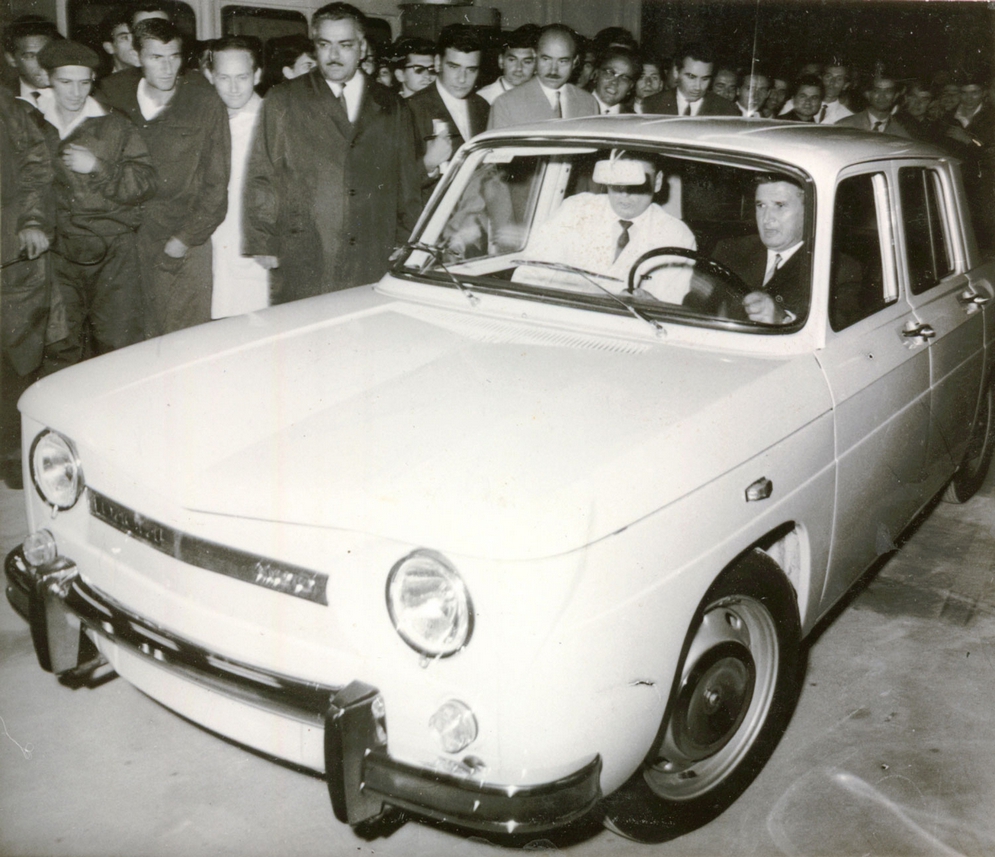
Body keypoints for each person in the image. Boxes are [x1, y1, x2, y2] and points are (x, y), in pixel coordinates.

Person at [244, 2, 421, 303]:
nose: (334, 55)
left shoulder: (392, 104)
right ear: (315, 46)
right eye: (325, 45)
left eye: (345, 45)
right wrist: (262, 240)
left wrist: (408, 240)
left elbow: (407, 181)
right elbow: (264, 172)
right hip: (306, 250)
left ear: (363, 48)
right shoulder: (284, 99)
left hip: (372, 252)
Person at [99, 17, 230, 336]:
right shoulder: (114, 95)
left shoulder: (204, 102)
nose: (167, 68)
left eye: (174, 57)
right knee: (133, 339)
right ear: (137, 55)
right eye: (156, 57)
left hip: (184, 241)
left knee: (185, 341)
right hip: (128, 242)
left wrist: (185, 238)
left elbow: (216, 184)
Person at [35, 40, 155, 374]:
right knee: (60, 344)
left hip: (112, 252)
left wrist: (100, 167)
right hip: (57, 253)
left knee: (118, 345)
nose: (76, 92)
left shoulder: (114, 124)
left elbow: (145, 182)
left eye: (84, 82)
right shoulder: (33, 123)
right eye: (65, 82)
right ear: (47, 78)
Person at [518, 151, 697, 303]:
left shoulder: (678, 236)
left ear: (657, 182)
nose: (625, 193)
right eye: (618, 180)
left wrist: (654, 305)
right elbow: (528, 275)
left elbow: (670, 309)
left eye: (638, 181)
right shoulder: (575, 210)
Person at [0, 87, 54, 487]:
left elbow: (36, 167)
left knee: (17, 353)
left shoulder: (9, 109)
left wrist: (32, 220)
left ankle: (15, 455)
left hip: (8, 252)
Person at [203, 36, 269, 318]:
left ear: (257, 75)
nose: (233, 88)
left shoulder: (273, 121)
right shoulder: (204, 119)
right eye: (223, 78)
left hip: (255, 249)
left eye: (242, 77)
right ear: (209, 76)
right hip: (213, 244)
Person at [713, 175, 813, 324]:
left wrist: (784, 319)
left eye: (780, 205)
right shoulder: (729, 250)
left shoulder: (835, 270)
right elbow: (695, 307)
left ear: (809, 211)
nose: (766, 218)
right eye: (761, 205)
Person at [408, 25, 489, 200]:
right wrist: (428, 164)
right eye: (454, 67)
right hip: (430, 220)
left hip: (473, 218)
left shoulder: (482, 106)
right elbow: (393, 183)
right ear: (438, 63)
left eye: (471, 69)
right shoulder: (410, 109)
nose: (462, 78)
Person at [488, 24, 597, 128]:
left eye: (563, 61)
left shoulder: (589, 102)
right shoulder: (506, 103)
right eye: (546, 59)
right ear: (535, 56)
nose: (553, 70)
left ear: (575, 62)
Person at [640, 43, 739, 116]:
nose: (698, 87)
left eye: (705, 79)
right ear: (676, 72)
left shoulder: (727, 110)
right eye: (691, 77)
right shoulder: (650, 105)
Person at [3, 16, 58, 111]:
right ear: (12, 59)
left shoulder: (77, 91)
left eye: (47, 53)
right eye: (30, 56)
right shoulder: (4, 97)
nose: (42, 64)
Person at [835, 72, 911, 137]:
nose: (882, 96)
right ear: (867, 94)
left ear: (895, 96)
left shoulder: (901, 135)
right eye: (877, 91)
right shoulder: (845, 126)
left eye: (888, 91)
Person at [476, 26, 536, 105]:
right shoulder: (484, 98)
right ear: (501, 61)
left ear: (536, 66)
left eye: (527, 62)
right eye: (512, 60)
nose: (519, 68)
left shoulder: (543, 96)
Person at [591, 47, 638, 115]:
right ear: (596, 74)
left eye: (624, 78)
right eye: (610, 73)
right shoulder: (573, 105)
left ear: (630, 87)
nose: (615, 82)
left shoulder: (633, 119)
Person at [99, 8, 139, 74]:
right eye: (124, 38)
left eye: (137, 37)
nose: (135, 44)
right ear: (109, 47)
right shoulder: (104, 83)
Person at [818, 59, 853, 123]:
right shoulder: (798, 106)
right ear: (820, 79)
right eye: (828, 77)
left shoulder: (848, 117)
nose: (832, 82)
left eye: (839, 79)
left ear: (845, 85)